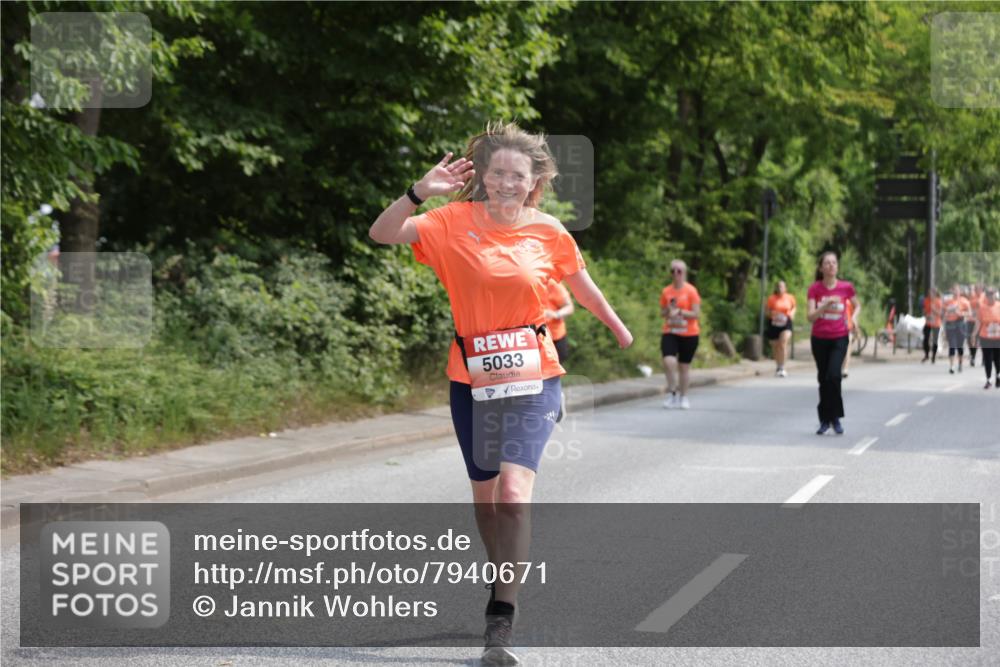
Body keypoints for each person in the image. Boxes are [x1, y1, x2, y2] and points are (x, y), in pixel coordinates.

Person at [368, 121, 632, 666]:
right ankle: (501, 581)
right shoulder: (449, 222)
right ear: (482, 177)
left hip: (535, 376)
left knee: (513, 494)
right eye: (498, 173)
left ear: (534, 180)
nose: (507, 183)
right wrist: (419, 191)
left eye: (518, 174)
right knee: (486, 502)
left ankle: (501, 619)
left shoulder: (550, 231)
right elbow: (383, 233)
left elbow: (581, 284)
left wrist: (616, 325)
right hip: (471, 379)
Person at [806, 251, 859, 435]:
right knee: (823, 379)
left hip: (839, 337)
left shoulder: (846, 287)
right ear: (821, 268)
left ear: (837, 267)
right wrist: (825, 305)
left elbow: (857, 305)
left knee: (834, 376)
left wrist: (854, 318)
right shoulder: (815, 289)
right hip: (819, 338)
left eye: (833, 263)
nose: (830, 266)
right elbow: (810, 316)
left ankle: (835, 417)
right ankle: (824, 420)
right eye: (827, 263)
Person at [660, 259, 701, 409]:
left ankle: (684, 396)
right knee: (668, 361)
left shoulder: (691, 291)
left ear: (684, 273)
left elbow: (696, 314)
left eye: (679, 271)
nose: (676, 274)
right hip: (670, 331)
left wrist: (681, 312)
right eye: (673, 271)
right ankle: (673, 393)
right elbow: (662, 312)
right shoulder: (667, 291)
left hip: (689, 333)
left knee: (684, 367)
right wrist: (668, 311)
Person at [544, 278, 574, 420]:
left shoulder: (552, 284)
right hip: (538, 337)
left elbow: (569, 307)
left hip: (556, 337)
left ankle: (556, 406)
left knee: (552, 375)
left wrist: (555, 314)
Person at [765, 280, 796, 377]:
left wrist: (792, 314)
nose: (780, 288)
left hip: (786, 323)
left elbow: (794, 307)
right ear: (776, 288)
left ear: (785, 288)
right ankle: (778, 366)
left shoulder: (790, 298)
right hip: (774, 323)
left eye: (782, 286)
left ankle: (782, 367)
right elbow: (767, 312)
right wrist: (772, 314)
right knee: (775, 345)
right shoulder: (771, 298)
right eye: (778, 286)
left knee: (783, 343)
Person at [974, 287, 1000, 389]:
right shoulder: (982, 308)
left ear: (995, 295)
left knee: (997, 360)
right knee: (987, 359)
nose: (990, 296)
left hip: (998, 337)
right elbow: (978, 322)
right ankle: (988, 380)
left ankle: (998, 377)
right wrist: (973, 334)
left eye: (992, 294)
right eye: (988, 294)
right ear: (986, 296)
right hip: (985, 337)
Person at [943, 283, 970, 374]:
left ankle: (960, 363)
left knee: (960, 346)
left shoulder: (964, 301)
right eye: (953, 290)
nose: (955, 292)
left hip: (960, 324)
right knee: (952, 345)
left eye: (957, 290)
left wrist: (961, 313)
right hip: (950, 325)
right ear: (951, 291)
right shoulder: (948, 301)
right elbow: (943, 313)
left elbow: (969, 313)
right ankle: (951, 366)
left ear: (960, 291)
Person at [921, 287, 942, 364]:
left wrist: (934, 310)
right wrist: (926, 314)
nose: (930, 294)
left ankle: (933, 356)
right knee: (925, 339)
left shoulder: (938, 301)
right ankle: (926, 355)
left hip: (936, 323)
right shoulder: (926, 300)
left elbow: (940, 313)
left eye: (932, 293)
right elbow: (924, 311)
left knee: (935, 340)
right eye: (929, 293)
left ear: (935, 293)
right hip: (928, 323)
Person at [966, 284, 983, 368]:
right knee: (969, 339)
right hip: (969, 320)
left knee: (977, 339)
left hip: (978, 321)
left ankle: (974, 357)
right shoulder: (970, 298)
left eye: (972, 289)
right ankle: (972, 354)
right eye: (975, 289)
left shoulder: (982, 298)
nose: (971, 290)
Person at [841, 296, 857, 379]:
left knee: (847, 349)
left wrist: (855, 328)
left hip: (848, 328)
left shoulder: (850, 301)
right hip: (839, 328)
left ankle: (845, 368)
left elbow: (853, 315)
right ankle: (843, 368)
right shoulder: (838, 300)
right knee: (844, 349)